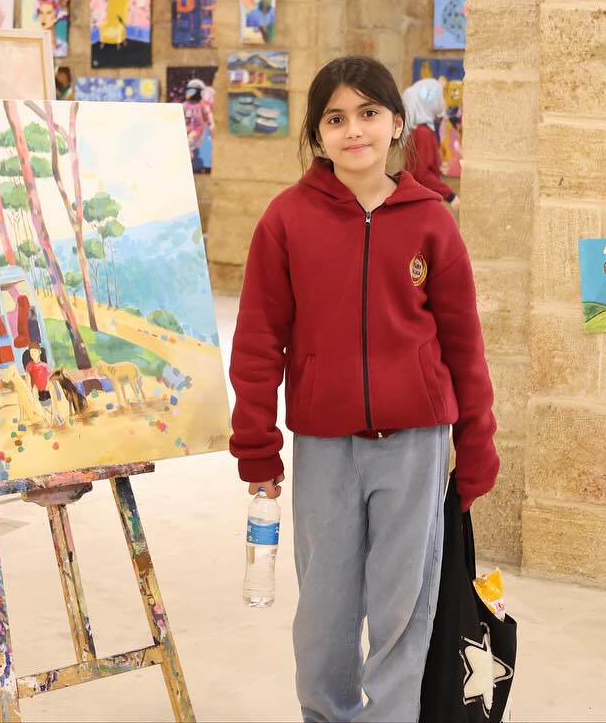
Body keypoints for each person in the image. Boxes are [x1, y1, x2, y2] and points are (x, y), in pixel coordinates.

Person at [229, 55, 498, 722]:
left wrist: (478, 442)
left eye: (369, 113)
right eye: (336, 118)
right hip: (325, 444)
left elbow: (464, 342)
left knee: (404, 605)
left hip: (417, 443)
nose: (355, 131)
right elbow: (259, 341)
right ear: (318, 135)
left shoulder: (432, 220)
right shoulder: (286, 220)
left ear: (397, 123)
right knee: (324, 610)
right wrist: (256, 445)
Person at [402, 75, 458, 208]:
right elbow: (422, 174)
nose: (442, 101)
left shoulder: (420, 129)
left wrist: (437, 166)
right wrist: (450, 196)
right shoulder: (423, 132)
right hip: (418, 202)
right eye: (440, 96)